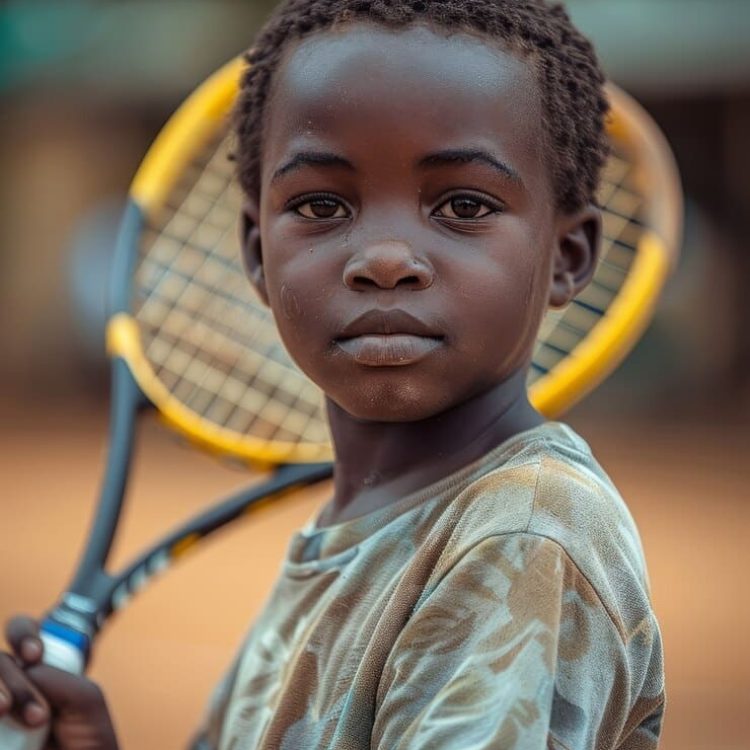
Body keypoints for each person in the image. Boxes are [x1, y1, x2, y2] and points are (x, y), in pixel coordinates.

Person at [0, 0, 665, 748]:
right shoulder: (372, 526)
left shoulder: (524, 536)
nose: (384, 258)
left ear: (569, 257)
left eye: (464, 204)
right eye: (321, 204)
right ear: (257, 250)